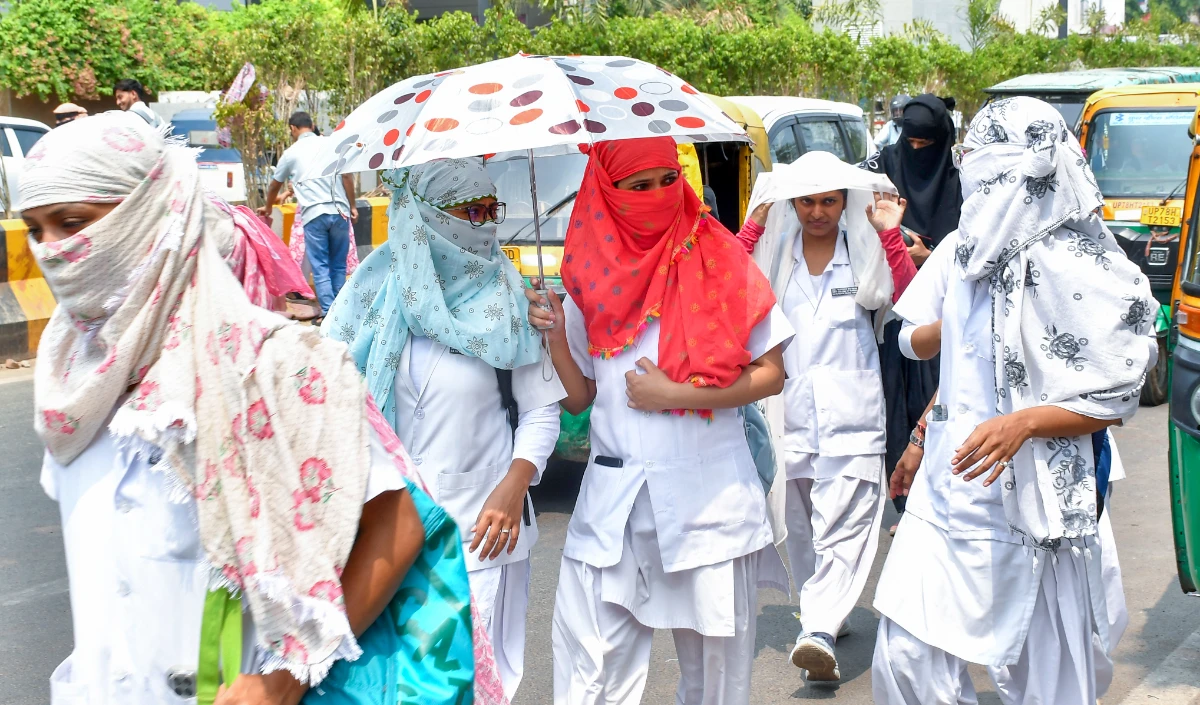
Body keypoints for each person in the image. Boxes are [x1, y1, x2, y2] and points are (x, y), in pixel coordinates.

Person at [19, 111, 473, 705]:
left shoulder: (277, 365)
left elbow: (398, 526)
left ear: (151, 213)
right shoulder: (70, 387)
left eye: (74, 223)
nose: (52, 250)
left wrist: (285, 679)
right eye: (36, 229)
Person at [871, 97, 1157, 705]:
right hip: (947, 491)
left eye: (986, 163)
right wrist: (921, 438)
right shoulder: (962, 251)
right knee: (906, 654)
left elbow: (1117, 394)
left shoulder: (1078, 260)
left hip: (1032, 500)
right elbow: (955, 364)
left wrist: (1024, 423)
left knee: (1046, 672)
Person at [526, 137, 793, 705]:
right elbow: (579, 398)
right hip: (614, 507)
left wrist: (677, 394)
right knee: (589, 673)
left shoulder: (719, 257)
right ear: (607, 192)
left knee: (715, 682)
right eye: (638, 187)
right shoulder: (588, 275)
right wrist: (556, 338)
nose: (656, 196)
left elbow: (771, 374)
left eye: (667, 181)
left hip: (711, 501)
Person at [323, 156, 566, 702]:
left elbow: (541, 411)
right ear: (425, 215)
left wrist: (513, 487)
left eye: (491, 211)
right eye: (470, 212)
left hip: (483, 531)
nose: (484, 226)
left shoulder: (511, 301)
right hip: (385, 535)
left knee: (475, 684)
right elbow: (329, 395)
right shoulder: (374, 294)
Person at [747, 150, 916, 682]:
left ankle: (818, 629)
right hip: (790, 414)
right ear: (791, 204)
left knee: (846, 525)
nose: (817, 212)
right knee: (801, 529)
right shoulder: (776, 256)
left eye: (828, 201)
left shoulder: (863, 253)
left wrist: (891, 235)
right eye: (806, 201)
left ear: (845, 203)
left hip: (853, 415)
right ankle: (823, 614)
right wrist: (752, 228)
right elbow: (725, 286)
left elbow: (913, 299)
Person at [862, 93, 962, 519]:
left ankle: (932, 501)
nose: (917, 151)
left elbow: (971, 251)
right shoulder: (883, 168)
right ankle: (904, 504)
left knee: (936, 402)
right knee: (894, 404)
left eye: (927, 144)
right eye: (911, 142)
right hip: (890, 311)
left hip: (943, 316)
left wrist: (930, 255)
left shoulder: (961, 182)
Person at [258, 111, 357, 319]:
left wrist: (268, 207)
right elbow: (347, 176)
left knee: (320, 266)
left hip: (314, 215)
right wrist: (353, 206)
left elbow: (275, 185)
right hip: (339, 211)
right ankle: (342, 311)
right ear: (312, 125)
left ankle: (329, 313)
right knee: (338, 265)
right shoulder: (332, 144)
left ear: (293, 129)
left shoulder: (290, 154)